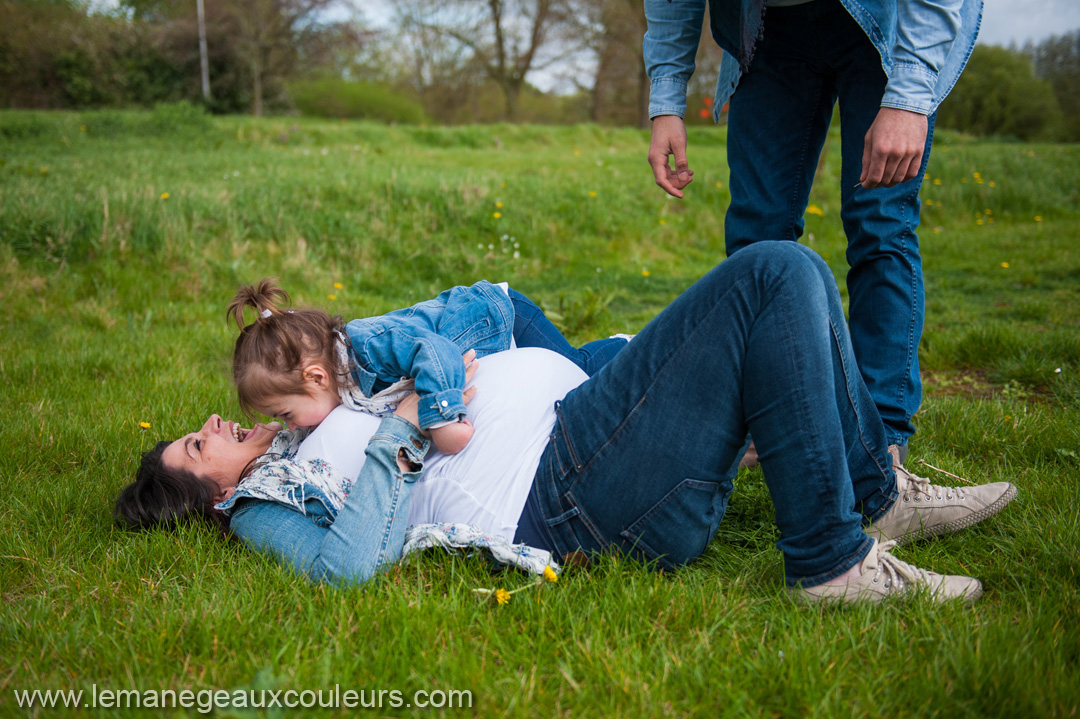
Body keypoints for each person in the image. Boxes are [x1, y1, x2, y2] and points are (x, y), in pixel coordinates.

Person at [116, 243, 1016, 605]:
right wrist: (405, 424)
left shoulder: (309, 421)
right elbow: (345, 568)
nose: (209, 423)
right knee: (773, 275)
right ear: (212, 494)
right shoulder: (265, 506)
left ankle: (875, 493)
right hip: (572, 492)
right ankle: (829, 562)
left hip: (579, 426)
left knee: (799, 273)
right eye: (196, 444)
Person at [643, 0, 981, 467]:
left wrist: (909, 94)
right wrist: (666, 100)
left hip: (885, 20)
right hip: (765, 29)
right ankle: (773, 420)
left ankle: (880, 446)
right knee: (757, 243)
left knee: (879, 225)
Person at [226, 278, 629, 455]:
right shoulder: (338, 379)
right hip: (484, 324)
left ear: (316, 377)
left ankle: (625, 347)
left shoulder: (368, 346)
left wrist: (443, 420)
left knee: (580, 372)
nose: (290, 425)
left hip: (499, 317)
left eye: (285, 414)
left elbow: (434, 350)